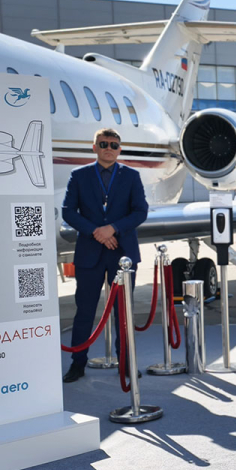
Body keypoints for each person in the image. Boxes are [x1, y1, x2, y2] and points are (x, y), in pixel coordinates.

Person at [61, 128, 149, 383]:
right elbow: (68, 211)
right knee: (84, 311)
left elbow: (140, 211)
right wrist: (96, 232)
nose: (108, 148)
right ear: (94, 147)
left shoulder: (131, 176)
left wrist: (114, 228)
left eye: (113, 145)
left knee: (124, 312)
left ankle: (127, 364)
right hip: (90, 254)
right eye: (103, 144)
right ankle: (77, 363)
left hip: (123, 254)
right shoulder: (79, 175)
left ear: (119, 149)